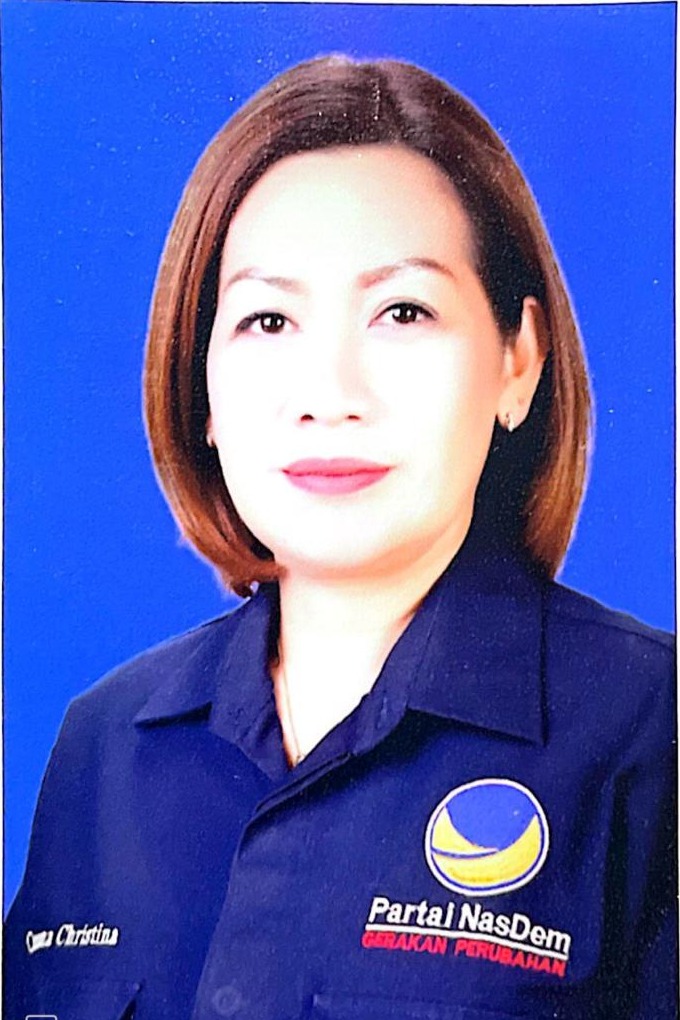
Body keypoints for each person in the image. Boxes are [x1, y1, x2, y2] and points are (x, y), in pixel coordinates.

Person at [5, 55, 675, 1020]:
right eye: (268, 320)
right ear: (202, 386)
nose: (329, 395)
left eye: (402, 312)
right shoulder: (104, 744)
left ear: (517, 362)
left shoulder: (650, 733)